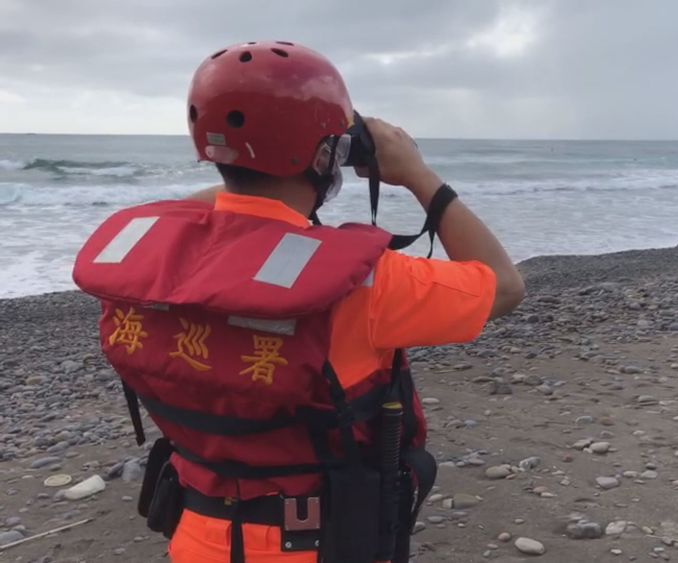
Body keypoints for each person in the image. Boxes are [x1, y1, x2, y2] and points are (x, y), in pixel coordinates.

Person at [73, 40, 524, 563]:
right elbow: (505, 284)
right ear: (325, 156)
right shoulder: (364, 285)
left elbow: (205, 211)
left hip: (196, 533)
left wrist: (253, 175)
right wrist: (420, 177)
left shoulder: (154, 264)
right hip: (320, 544)